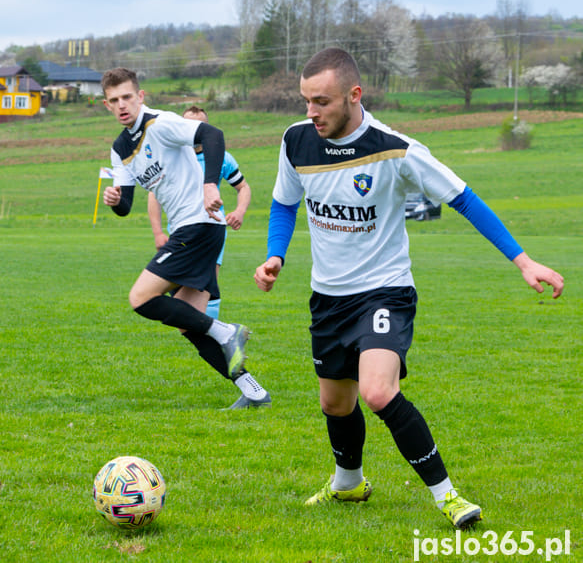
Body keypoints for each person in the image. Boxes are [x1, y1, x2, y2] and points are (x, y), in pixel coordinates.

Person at [253, 47, 564, 529]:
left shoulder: (396, 149)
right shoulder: (296, 141)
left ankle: (449, 497)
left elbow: (464, 199)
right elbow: (283, 203)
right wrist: (276, 254)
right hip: (327, 297)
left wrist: (523, 261)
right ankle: (348, 483)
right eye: (306, 101)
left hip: (384, 292)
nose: (310, 112)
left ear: (354, 95)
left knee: (377, 392)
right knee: (335, 403)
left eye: (322, 101)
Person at [101, 67, 269, 410]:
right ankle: (254, 393)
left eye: (127, 97)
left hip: (200, 223)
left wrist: (210, 184)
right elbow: (127, 204)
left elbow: (213, 134)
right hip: (194, 228)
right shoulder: (120, 150)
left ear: (140, 96)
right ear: (106, 105)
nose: (122, 105)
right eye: (114, 100)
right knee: (190, 326)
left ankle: (226, 332)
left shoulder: (161, 123)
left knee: (141, 298)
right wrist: (117, 202)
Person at [148, 106, 252, 321]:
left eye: (200, 125)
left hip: (211, 227)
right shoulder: (172, 156)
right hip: (179, 230)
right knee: (176, 290)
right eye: (189, 124)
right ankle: (211, 332)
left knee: (207, 282)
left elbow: (243, 187)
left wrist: (240, 211)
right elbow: (154, 195)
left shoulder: (221, 157)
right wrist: (158, 231)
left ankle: (213, 332)